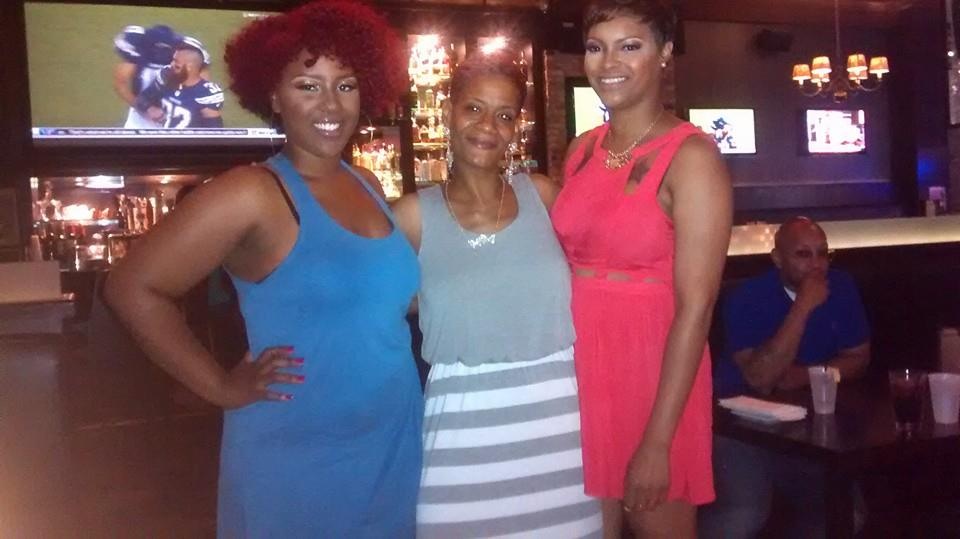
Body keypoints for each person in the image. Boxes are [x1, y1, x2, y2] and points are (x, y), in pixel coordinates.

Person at [104, 2, 421, 536]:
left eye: (345, 85)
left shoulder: (365, 183)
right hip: (301, 459)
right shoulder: (252, 192)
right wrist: (219, 387)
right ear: (273, 96)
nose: (331, 104)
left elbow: (381, 303)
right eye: (307, 86)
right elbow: (132, 288)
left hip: (392, 446)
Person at [392, 51, 603, 537]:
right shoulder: (412, 216)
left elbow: (599, 277)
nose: (488, 125)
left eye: (504, 115)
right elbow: (379, 308)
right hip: (460, 441)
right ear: (449, 111)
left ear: (516, 128)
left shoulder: (543, 196)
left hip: (561, 433)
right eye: (473, 108)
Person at [550, 1, 733, 536]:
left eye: (630, 46)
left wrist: (658, 441)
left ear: (665, 53)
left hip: (651, 376)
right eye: (596, 47)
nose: (609, 63)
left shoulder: (693, 157)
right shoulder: (582, 150)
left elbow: (697, 308)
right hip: (579, 369)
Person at [700, 216, 870, 538]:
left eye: (823, 253)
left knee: (847, 511)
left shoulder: (842, 286)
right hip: (739, 428)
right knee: (745, 513)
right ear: (777, 258)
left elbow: (859, 358)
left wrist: (805, 376)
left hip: (805, 429)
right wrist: (803, 305)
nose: (817, 265)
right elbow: (761, 379)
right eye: (803, 254)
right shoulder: (748, 297)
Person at [134, 38, 224, 128]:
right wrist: (150, 108)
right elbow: (143, 98)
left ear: (189, 67)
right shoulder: (166, 76)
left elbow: (214, 131)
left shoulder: (205, 93)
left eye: (177, 63)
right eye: (173, 60)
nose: (172, 65)